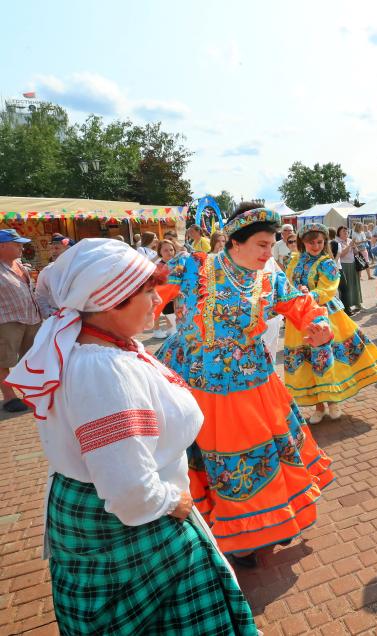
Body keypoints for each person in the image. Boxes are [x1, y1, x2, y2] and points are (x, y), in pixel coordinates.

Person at [6, 239, 258, 635]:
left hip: (107, 516)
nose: (158, 299)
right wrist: (171, 500)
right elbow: (129, 491)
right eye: (148, 291)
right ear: (111, 301)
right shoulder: (103, 369)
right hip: (131, 524)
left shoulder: (101, 347)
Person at [154, 204, 335, 565]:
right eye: (263, 245)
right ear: (235, 242)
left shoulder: (268, 278)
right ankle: (235, 531)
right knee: (213, 459)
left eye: (271, 245)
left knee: (257, 456)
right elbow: (148, 293)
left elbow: (302, 305)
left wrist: (319, 325)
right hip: (198, 383)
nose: (270, 253)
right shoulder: (195, 267)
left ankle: (259, 528)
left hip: (252, 382)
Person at [284, 223, 377, 423]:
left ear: (324, 242)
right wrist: (292, 294)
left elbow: (329, 289)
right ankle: (318, 406)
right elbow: (286, 283)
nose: (315, 246)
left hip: (324, 314)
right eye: (310, 242)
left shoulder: (327, 263)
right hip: (299, 316)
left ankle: (333, 401)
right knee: (306, 360)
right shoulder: (294, 260)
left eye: (319, 242)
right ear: (302, 242)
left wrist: (310, 294)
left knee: (327, 358)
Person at [0, 229, 42, 413]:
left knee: (31, 358)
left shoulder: (18, 264)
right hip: (7, 320)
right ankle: (9, 397)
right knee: (3, 360)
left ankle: (32, 392)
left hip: (31, 318)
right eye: (16, 244)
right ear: (2, 246)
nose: (21, 247)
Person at [35, 234, 76, 318]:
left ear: (70, 250)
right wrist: (48, 314)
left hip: (80, 315)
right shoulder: (47, 271)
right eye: (51, 249)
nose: (53, 252)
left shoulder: (80, 268)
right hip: (57, 315)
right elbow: (40, 296)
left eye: (57, 248)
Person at [152, 238, 181, 338]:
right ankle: (156, 329)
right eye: (165, 250)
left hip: (172, 294)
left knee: (171, 310)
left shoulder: (177, 264)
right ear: (160, 252)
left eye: (171, 250)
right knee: (159, 310)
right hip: (161, 294)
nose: (169, 252)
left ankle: (170, 329)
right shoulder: (158, 266)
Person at [335, 226, 363, 313]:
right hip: (343, 265)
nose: (345, 233)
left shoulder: (350, 240)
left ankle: (357, 303)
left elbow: (356, 253)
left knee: (355, 285)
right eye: (343, 231)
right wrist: (349, 246)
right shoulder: (337, 242)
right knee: (346, 287)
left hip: (352, 264)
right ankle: (348, 305)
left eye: (347, 231)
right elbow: (342, 254)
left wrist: (354, 247)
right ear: (339, 233)